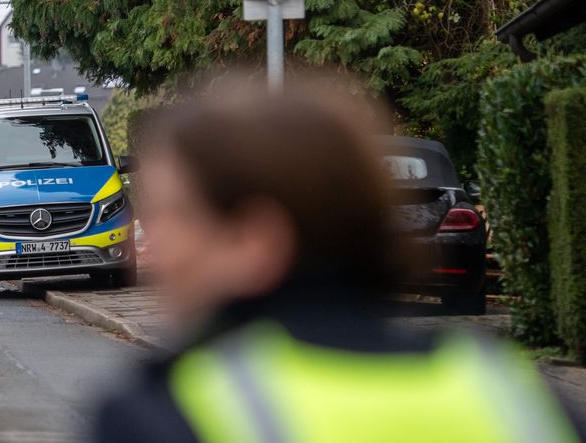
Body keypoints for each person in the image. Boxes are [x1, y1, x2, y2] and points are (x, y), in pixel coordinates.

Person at [95, 75, 585, 443]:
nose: (157, 244)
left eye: (179, 215)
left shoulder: (167, 415)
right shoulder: (518, 398)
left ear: (254, 240)